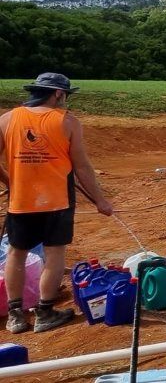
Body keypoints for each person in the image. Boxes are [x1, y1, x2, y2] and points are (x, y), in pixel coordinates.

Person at [0, 73, 114, 333]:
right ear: (58, 94)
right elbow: (82, 167)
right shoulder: (69, 122)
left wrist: (10, 182)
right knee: (54, 255)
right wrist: (100, 201)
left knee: (15, 254)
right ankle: (44, 312)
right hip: (57, 201)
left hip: (21, 201)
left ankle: (15, 316)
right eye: (66, 96)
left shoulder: (6, 119)